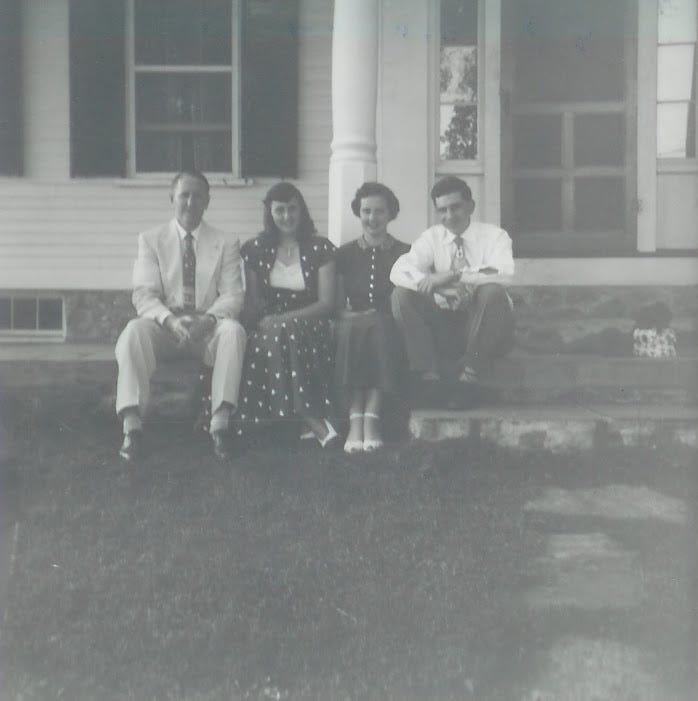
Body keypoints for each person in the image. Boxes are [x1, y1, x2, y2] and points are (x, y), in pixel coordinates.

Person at [115, 170, 246, 461]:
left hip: (206, 326)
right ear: (171, 198)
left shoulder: (225, 242)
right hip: (166, 326)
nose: (190, 202)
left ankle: (220, 425)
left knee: (233, 332)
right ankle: (132, 427)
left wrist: (207, 320)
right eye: (184, 195)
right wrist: (170, 320)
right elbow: (144, 293)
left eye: (198, 196)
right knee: (133, 332)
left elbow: (233, 295)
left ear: (207, 201)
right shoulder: (150, 240)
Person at [390, 176, 515, 407]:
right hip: (444, 325)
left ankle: (469, 379)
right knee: (401, 295)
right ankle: (430, 379)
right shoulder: (432, 237)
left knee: (492, 292)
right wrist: (439, 287)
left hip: (485, 323)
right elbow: (399, 270)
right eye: (442, 210)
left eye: (455, 207)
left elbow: (504, 271)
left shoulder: (495, 236)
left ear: (471, 206)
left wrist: (456, 275)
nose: (449, 216)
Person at [237, 182, 339, 446]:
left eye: (292, 209)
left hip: (310, 322)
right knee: (276, 335)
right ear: (270, 214)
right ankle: (310, 418)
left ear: (302, 211)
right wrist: (261, 321)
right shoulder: (255, 249)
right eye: (279, 210)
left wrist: (284, 319)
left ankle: (303, 418)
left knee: (288, 331)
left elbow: (327, 303)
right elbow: (254, 301)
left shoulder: (320, 248)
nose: (286, 217)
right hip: (268, 324)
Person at [334, 182, 409, 453]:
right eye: (366, 211)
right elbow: (337, 303)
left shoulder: (404, 252)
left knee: (377, 326)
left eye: (379, 211)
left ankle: (372, 417)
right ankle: (356, 419)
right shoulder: (344, 253)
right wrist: (351, 314)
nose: (372, 218)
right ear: (358, 213)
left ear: (390, 214)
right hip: (352, 320)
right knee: (354, 327)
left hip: (388, 322)